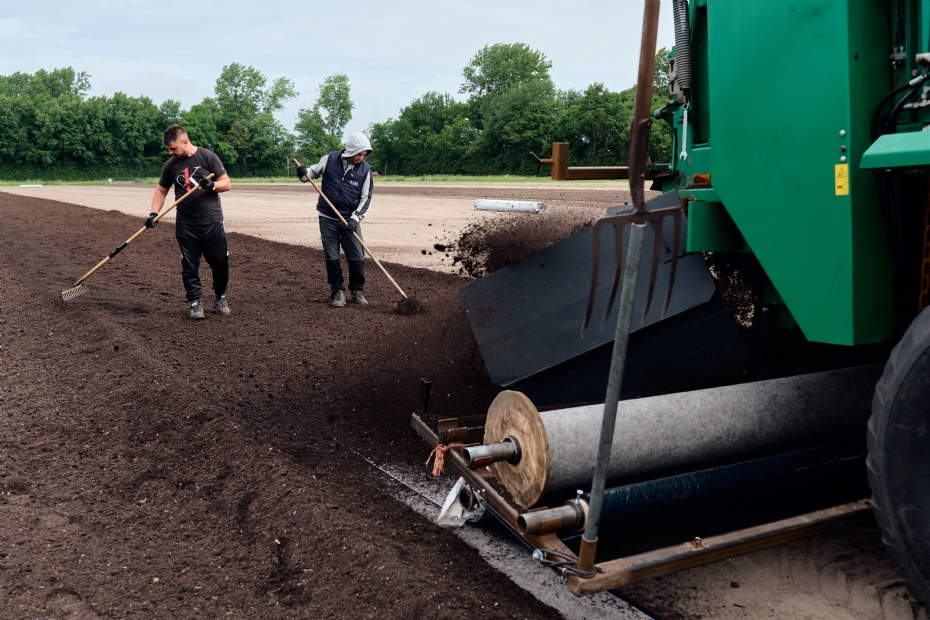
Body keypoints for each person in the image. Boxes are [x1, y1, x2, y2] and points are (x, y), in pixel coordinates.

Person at [147, 124, 232, 320]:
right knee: (189, 265)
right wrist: (154, 213)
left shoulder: (208, 157)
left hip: (212, 221)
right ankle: (195, 303)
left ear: (185, 142)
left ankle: (220, 297)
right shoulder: (171, 165)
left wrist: (211, 185)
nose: (170, 152)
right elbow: (161, 190)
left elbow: (226, 183)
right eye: (168, 149)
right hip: (186, 224)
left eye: (173, 148)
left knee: (220, 262)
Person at [296, 132, 373, 307]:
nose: (361, 158)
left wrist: (355, 218)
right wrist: (302, 172)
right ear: (350, 151)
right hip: (327, 217)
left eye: (364, 154)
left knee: (357, 256)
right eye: (359, 154)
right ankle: (337, 291)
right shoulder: (329, 159)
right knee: (331, 256)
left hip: (350, 220)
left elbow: (366, 199)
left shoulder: (366, 170)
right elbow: (310, 174)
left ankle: (357, 290)